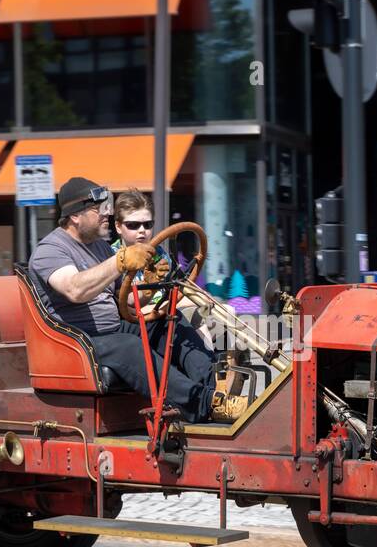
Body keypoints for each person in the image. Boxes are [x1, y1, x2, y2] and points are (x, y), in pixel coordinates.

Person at [27, 177, 244, 423]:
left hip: (111, 327)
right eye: (99, 209)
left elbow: (128, 299)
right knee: (129, 346)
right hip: (76, 339)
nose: (106, 214)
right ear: (75, 216)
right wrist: (119, 261)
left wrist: (151, 286)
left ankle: (217, 389)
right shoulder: (51, 250)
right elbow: (75, 289)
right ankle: (202, 405)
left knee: (169, 323)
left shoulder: (98, 247)